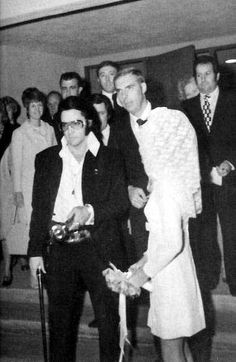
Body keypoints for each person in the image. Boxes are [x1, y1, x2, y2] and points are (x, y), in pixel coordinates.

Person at [106, 67, 206, 362]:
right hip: (170, 272)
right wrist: (140, 264)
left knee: (171, 349)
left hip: (170, 276)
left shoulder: (165, 188)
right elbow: (163, 240)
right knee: (178, 347)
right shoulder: (169, 183)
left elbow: (171, 242)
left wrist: (139, 277)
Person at [28, 96, 129, 362]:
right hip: (60, 249)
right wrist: (34, 252)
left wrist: (90, 211)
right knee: (60, 325)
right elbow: (38, 210)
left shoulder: (110, 157)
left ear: (89, 123)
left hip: (99, 247)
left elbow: (120, 202)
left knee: (108, 322)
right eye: (64, 125)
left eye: (75, 123)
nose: (70, 130)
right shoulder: (46, 159)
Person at [182, 55, 236, 297]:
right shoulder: (186, 108)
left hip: (230, 180)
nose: (203, 80)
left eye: (207, 74)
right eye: (199, 75)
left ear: (217, 76)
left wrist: (230, 162)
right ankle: (209, 279)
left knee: (232, 230)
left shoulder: (233, 101)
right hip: (200, 181)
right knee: (204, 234)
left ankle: (234, 280)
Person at [6, 88, 56, 277]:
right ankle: (36, 275)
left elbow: (55, 158)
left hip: (49, 185)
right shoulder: (19, 133)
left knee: (51, 225)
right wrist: (17, 192)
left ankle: (51, 270)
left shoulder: (49, 129)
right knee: (32, 228)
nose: (37, 108)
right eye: (33, 105)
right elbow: (16, 165)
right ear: (27, 108)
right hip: (28, 187)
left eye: (40, 104)